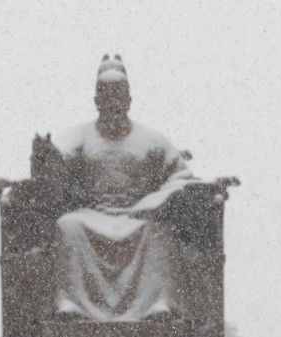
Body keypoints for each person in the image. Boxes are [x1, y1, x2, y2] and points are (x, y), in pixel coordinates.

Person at [49, 55, 197, 322]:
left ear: (129, 100)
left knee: (160, 231)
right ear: (96, 101)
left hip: (137, 216)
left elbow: (182, 175)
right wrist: (44, 158)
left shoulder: (151, 139)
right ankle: (71, 302)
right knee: (67, 225)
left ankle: (159, 303)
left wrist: (157, 200)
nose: (112, 103)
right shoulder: (80, 136)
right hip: (92, 216)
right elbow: (56, 169)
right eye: (106, 97)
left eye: (118, 96)